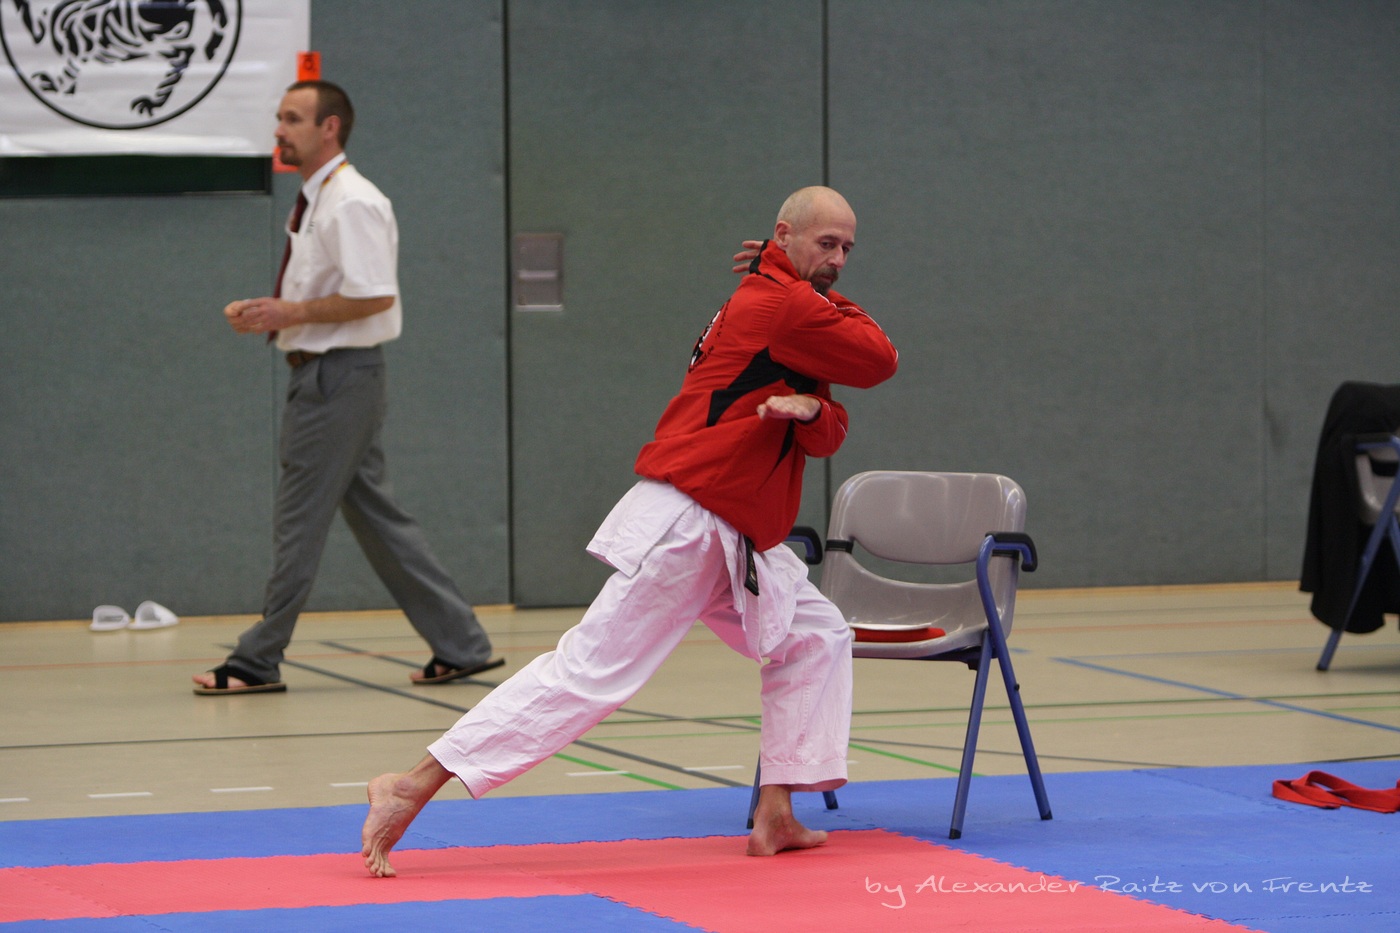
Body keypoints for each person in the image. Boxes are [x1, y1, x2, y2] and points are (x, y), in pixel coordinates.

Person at [360, 186, 898, 876]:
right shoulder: (786, 304)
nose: (839, 260)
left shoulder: (787, 307)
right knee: (591, 672)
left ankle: (776, 811)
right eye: (826, 244)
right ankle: (411, 784)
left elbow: (829, 425)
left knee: (816, 635)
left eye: (848, 247)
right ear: (783, 235)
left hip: (734, 533)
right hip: (691, 522)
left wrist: (811, 410)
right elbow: (880, 358)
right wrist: (824, 318)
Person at [193, 80, 501, 695]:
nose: (279, 130)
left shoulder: (352, 201)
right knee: (379, 519)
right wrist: (271, 313)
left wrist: (288, 313)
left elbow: (374, 295)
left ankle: (256, 660)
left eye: (292, 119)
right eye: (280, 118)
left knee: (299, 520)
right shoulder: (318, 198)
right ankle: (461, 644)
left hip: (337, 380)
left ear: (329, 127)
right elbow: (326, 292)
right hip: (331, 375)